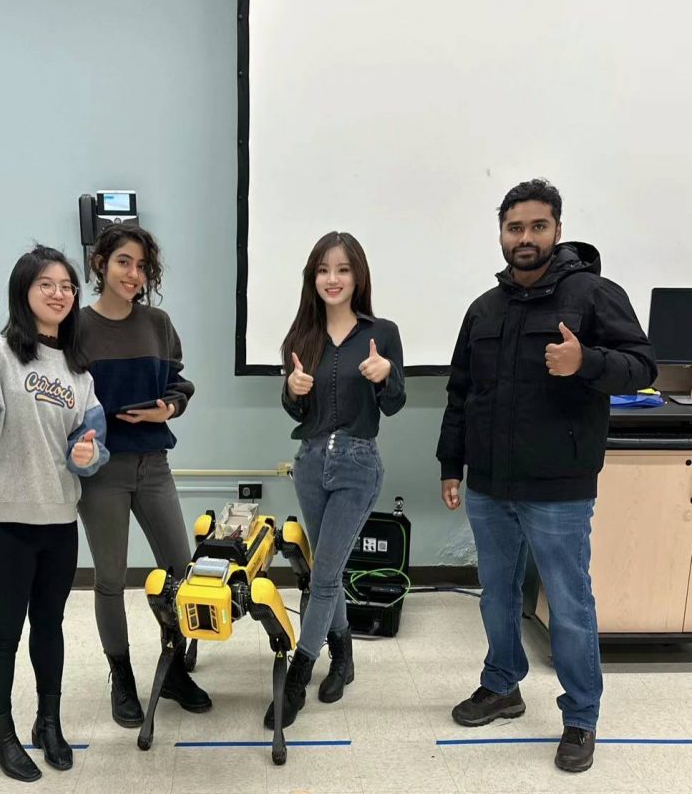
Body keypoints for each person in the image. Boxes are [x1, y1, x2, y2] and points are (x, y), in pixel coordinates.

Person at [436, 178, 656, 773]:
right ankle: (502, 684)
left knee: (569, 601)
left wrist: (586, 361)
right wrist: (449, 465)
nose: (525, 238)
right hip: (488, 482)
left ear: (557, 229)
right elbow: (462, 393)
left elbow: (642, 365)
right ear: (501, 234)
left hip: (558, 487)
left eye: (537, 226)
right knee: (497, 596)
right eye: (514, 228)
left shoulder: (592, 294)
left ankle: (581, 716)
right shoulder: (484, 308)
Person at [0, 245, 109, 783]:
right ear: (24, 292)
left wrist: (88, 453)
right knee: (4, 632)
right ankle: (1, 733)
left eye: (67, 286)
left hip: (58, 525)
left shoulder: (80, 372)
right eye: (47, 285)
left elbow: (93, 442)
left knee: (50, 628)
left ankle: (47, 723)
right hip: (3, 526)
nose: (59, 294)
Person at [263, 230, 406, 730]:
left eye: (342, 269)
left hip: (357, 463)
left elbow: (394, 404)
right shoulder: (300, 339)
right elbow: (295, 410)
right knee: (329, 572)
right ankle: (343, 657)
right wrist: (292, 388)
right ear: (313, 277)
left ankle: (299, 677)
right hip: (309, 464)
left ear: (357, 276)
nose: (333, 278)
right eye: (323, 270)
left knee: (322, 577)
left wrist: (385, 374)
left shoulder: (381, 332)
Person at [77, 223, 211, 728]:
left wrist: (168, 410)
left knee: (181, 572)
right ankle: (123, 678)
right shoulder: (78, 328)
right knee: (110, 579)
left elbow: (179, 382)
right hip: (102, 470)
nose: (133, 274)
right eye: (123, 263)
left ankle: (174, 668)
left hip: (154, 463)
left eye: (141, 266)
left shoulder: (157, 322)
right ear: (100, 265)